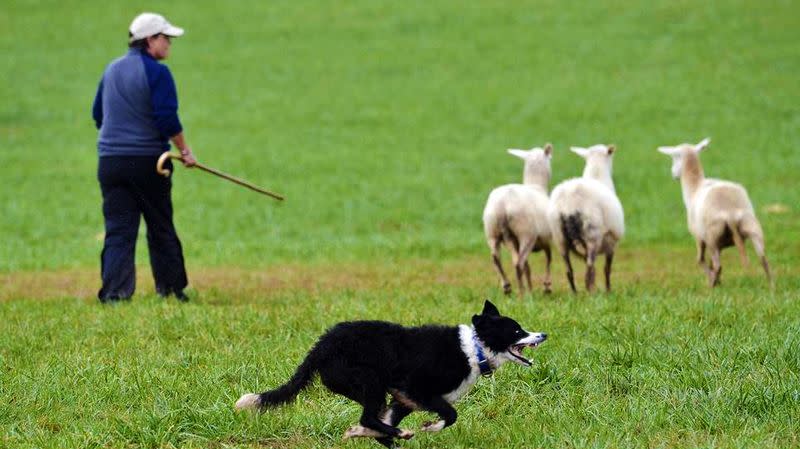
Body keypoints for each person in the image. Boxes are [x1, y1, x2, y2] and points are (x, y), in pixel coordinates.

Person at [92, 12, 197, 303]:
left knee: (118, 231)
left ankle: (114, 293)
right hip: (150, 162)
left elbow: (98, 115)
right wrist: (185, 151)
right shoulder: (158, 73)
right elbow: (167, 120)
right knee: (160, 225)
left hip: (110, 163)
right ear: (151, 40)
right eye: (167, 39)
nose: (169, 45)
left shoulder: (111, 69)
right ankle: (172, 289)